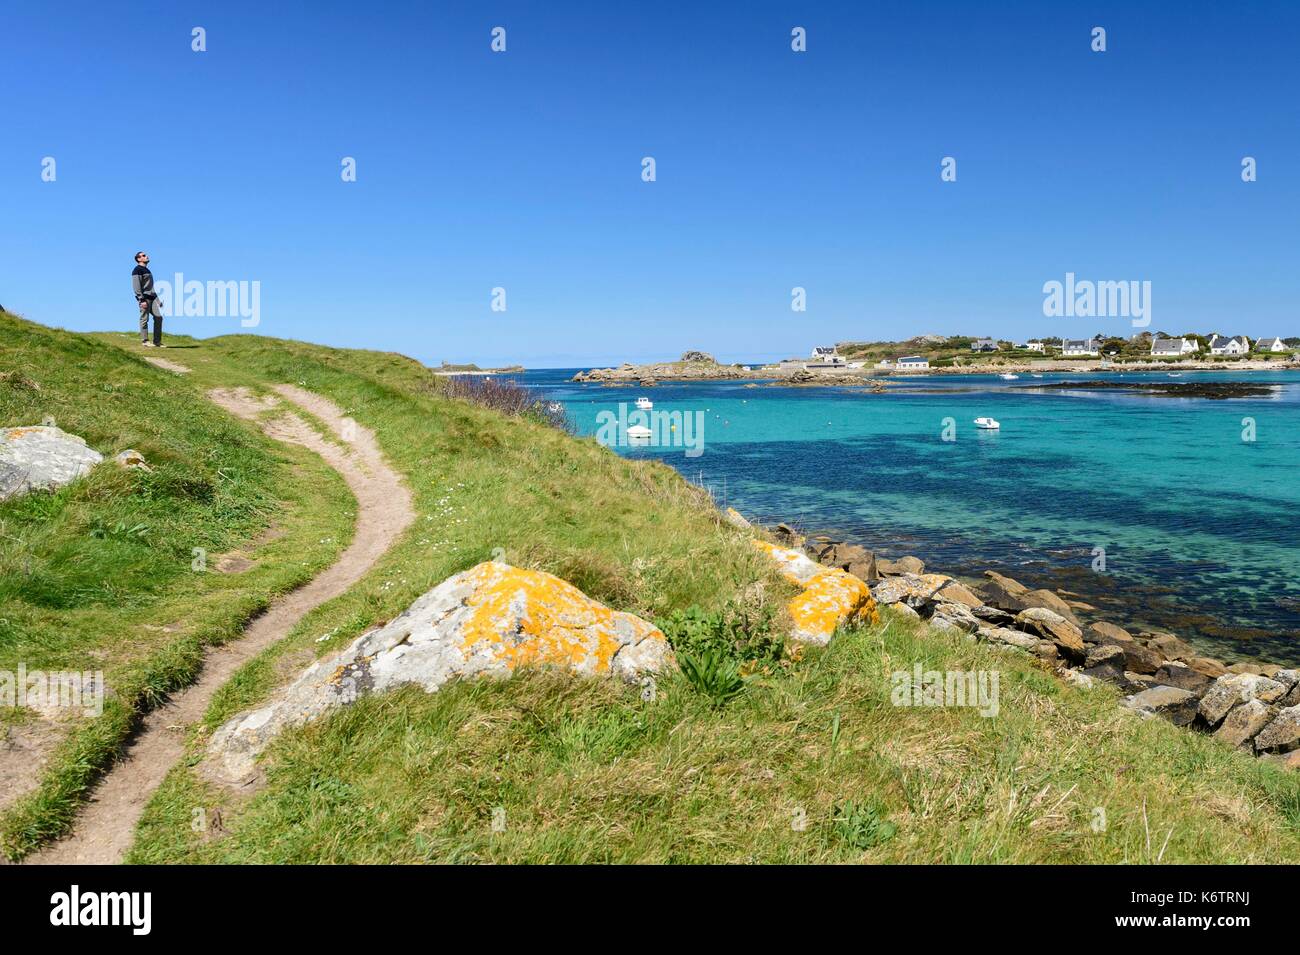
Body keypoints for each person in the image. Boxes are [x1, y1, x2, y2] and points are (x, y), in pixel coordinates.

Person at [131, 251, 164, 347]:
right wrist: (141, 300)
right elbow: (136, 287)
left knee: (159, 317)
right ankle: (145, 341)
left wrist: (158, 301)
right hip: (144, 299)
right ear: (138, 259)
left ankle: (157, 341)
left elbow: (151, 287)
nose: (146, 256)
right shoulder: (137, 270)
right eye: (144, 255)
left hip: (152, 298)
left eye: (146, 255)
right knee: (144, 319)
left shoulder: (147, 270)